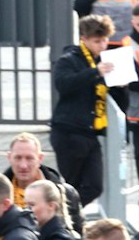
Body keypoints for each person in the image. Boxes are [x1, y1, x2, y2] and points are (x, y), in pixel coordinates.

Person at [49, 15, 114, 208]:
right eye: (97, 41)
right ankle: (64, 220)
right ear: (84, 39)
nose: (102, 45)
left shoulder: (104, 60)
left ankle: (66, 217)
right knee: (71, 186)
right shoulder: (69, 59)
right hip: (69, 131)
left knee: (94, 186)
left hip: (90, 131)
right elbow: (64, 84)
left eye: (105, 40)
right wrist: (95, 73)